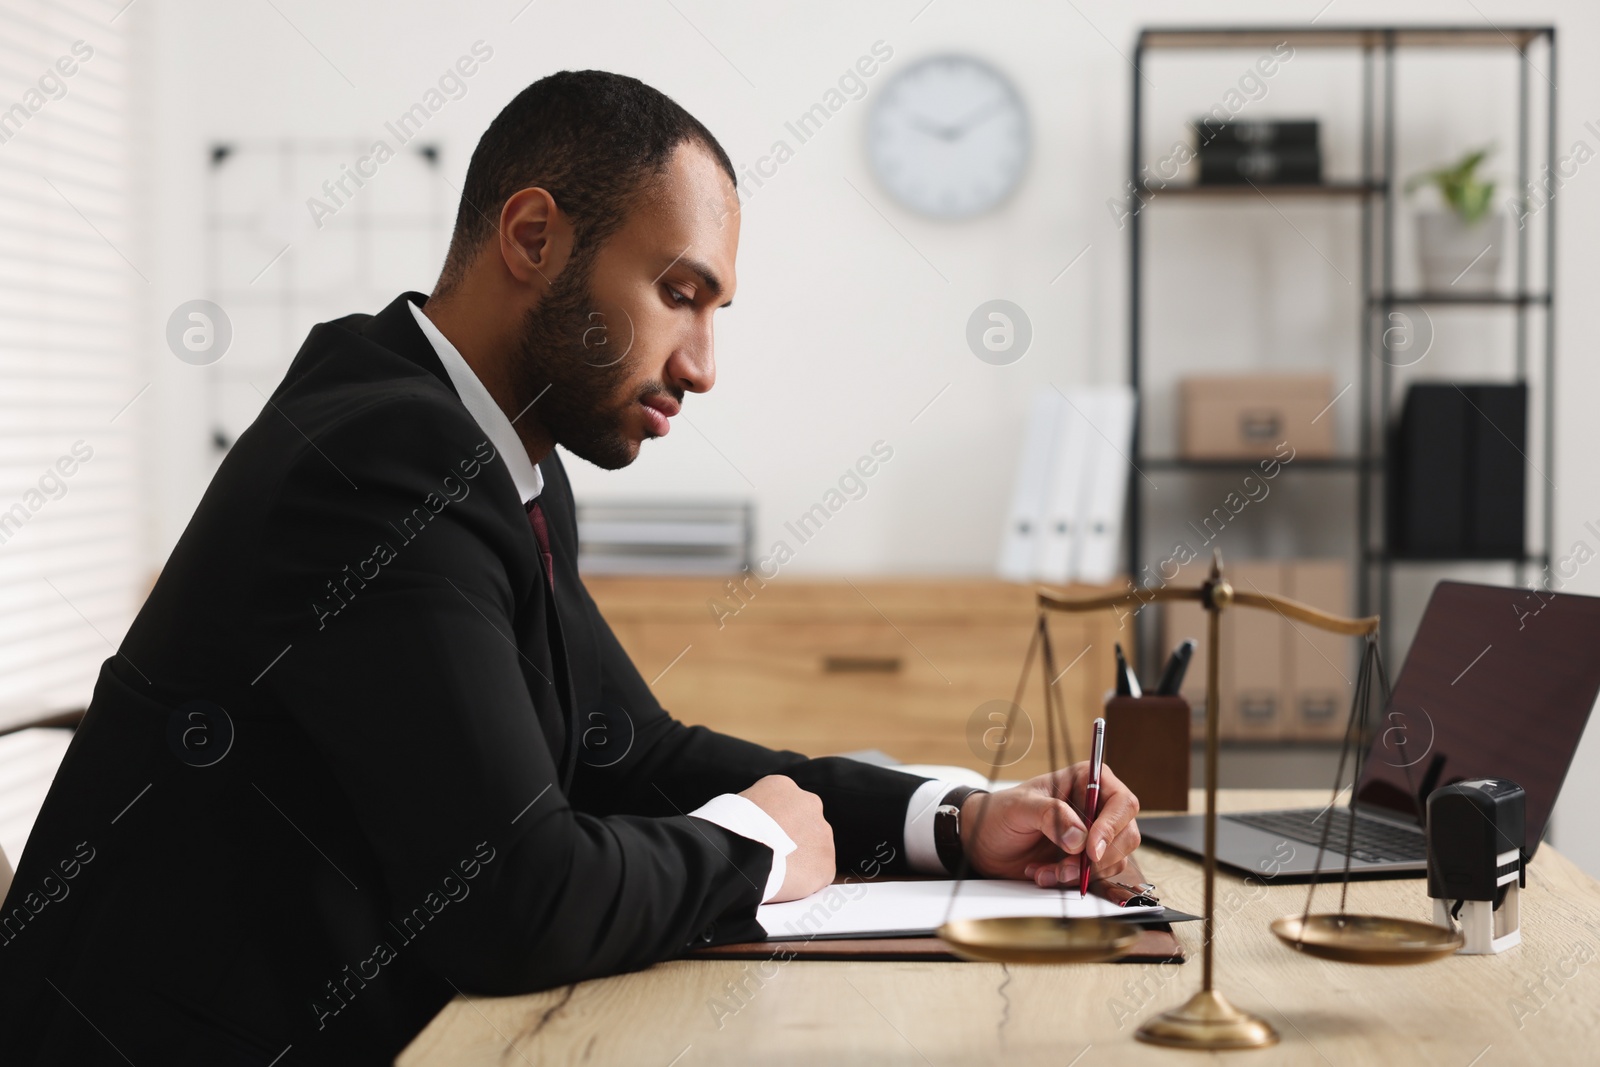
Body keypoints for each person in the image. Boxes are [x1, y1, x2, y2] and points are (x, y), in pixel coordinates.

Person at [0, 70, 1141, 1064]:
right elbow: (515, 899)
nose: (700, 365)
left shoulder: (503, 452)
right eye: (679, 293)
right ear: (533, 237)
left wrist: (958, 816)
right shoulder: (384, 458)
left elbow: (626, 752)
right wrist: (755, 848)